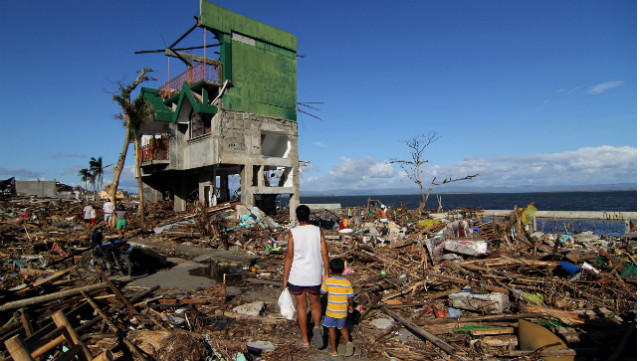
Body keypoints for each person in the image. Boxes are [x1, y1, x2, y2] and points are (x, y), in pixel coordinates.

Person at [282, 205, 330, 349]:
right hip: (314, 275)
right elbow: (325, 254)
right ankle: (316, 325)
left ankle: (305, 339)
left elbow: (289, 256)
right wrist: (327, 273)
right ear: (309, 216)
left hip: (298, 276)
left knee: (301, 307)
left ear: (296, 218)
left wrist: (285, 278)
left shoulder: (293, 232)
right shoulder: (317, 231)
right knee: (316, 304)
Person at [321, 258, 355, 357]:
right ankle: (348, 342)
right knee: (342, 327)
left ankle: (334, 350)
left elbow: (322, 292)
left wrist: (323, 281)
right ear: (343, 270)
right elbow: (351, 296)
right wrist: (351, 306)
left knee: (331, 329)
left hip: (331, 311)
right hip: (342, 311)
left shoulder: (328, 281)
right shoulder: (346, 282)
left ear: (330, 270)